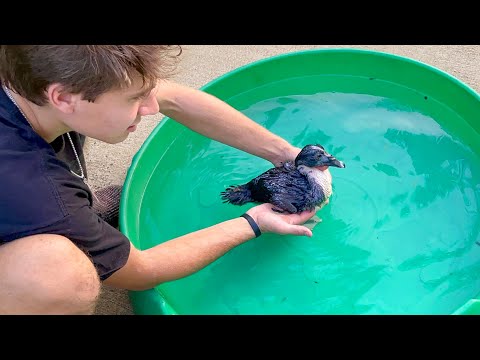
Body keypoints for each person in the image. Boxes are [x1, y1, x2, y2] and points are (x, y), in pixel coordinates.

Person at [0, 45, 316, 315]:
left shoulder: (40, 73)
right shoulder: (37, 189)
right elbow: (140, 270)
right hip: (29, 204)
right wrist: (253, 222)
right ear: (63, 97)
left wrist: (286, 154)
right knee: (62, 276)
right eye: (136, 99)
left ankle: (83, 216)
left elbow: (171, 98)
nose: (152, 107)